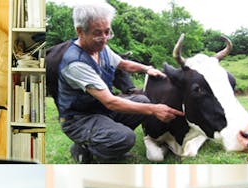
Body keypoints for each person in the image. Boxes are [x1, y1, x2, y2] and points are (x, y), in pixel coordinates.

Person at [57, 3, 184, 163]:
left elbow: (123, 64)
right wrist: (154, 109)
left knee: (142, 101)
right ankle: (86, 149)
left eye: (107, 32)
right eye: (98, 33)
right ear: (80, 31)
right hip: (80, 119)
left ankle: (106, 138)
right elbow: (110, 102)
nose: (104, 38)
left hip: (100, 110)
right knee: (125, 138)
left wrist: (147, 69)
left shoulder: (101, 47)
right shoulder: (75, 63)